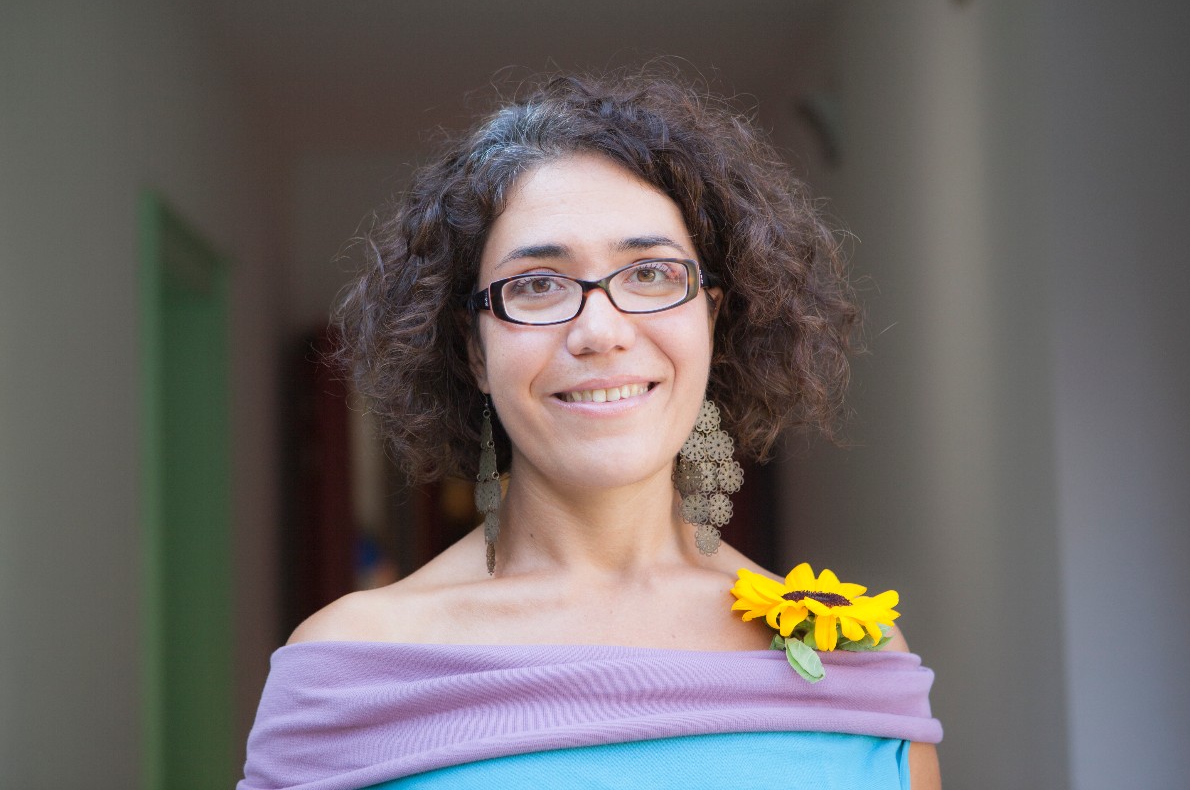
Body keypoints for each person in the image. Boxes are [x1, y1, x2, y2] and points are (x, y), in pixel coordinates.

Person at [240, 70, 942, 790]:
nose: (599, 332)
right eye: (537, 285)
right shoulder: (350, 665)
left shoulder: (857, 655)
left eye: (651, 274)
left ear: (714, 317)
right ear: (475, 350)